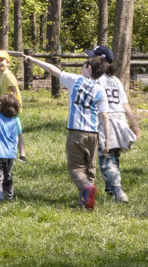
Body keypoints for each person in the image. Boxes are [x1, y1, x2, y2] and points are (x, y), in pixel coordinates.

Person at [22, 48, 110, 209]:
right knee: (89, 168)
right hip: (93, 134)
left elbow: (53, 70)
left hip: (76, 132)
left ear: (89, 68)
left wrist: (32, 60)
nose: (82, 68)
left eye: (84, 65)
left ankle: (87, 189)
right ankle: (85, 202)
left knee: (75, 167)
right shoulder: (100, 91)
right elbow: (104, 116)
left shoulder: (75, 80)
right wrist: (108, 140)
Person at [94, 47, 141, 202]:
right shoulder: (116, 81)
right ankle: (111, 190)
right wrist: (133, 124)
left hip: (105, 119)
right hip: (120, 119)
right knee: (115, 155)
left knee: (106, 156)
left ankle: (118, 191)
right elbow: (124, 105)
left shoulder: (96, 80)